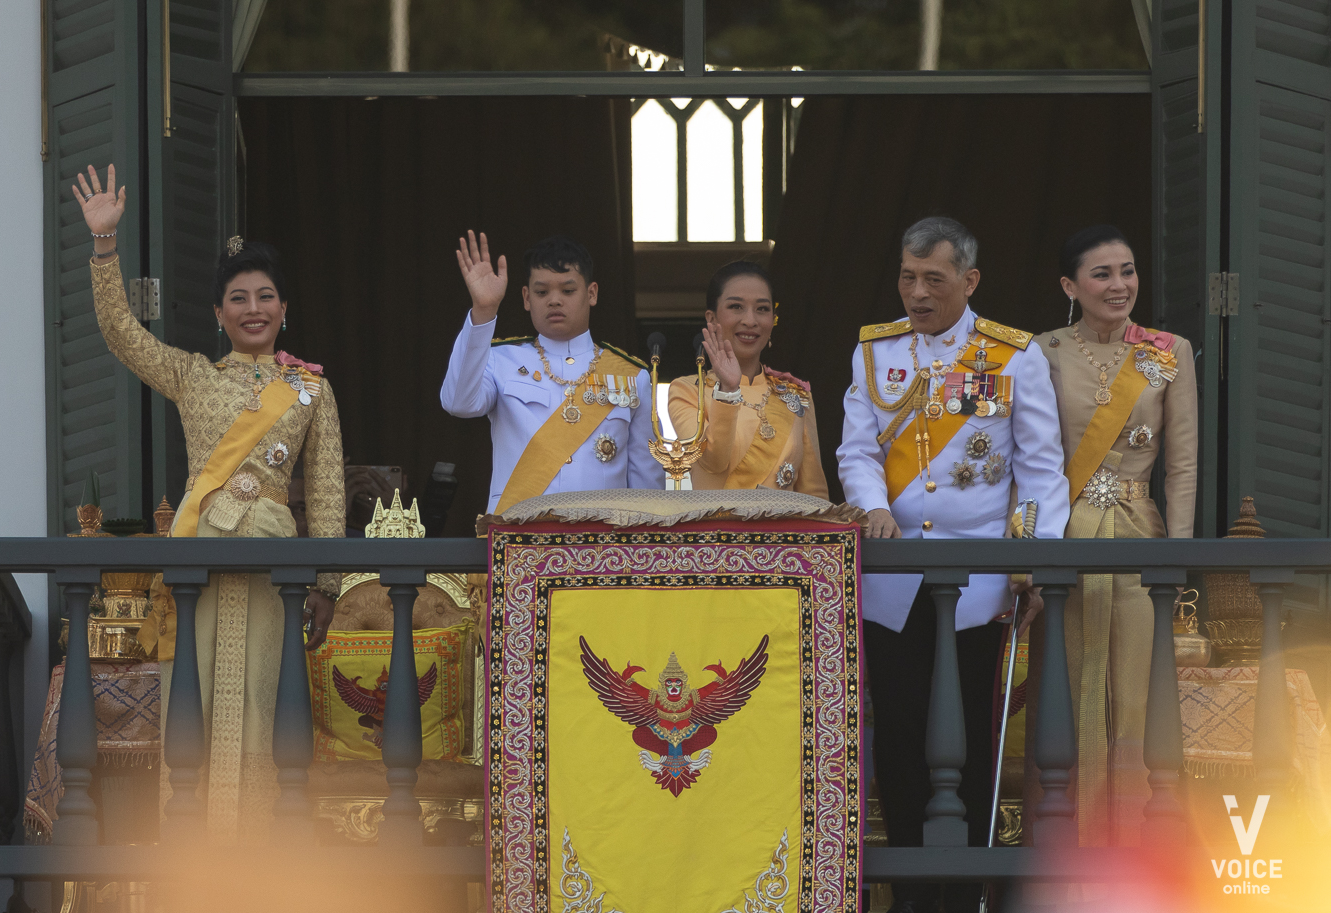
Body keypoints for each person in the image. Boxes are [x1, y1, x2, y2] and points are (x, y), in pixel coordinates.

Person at [72, 164, 345, 845]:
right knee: (191, 699)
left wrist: (329, 584)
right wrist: (105, 247)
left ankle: (262, 853)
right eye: (239, 298)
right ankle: (192, 856)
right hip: (197, 557)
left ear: (284, 309)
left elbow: (329, 489)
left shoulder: (312, 392)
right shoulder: (193, 374)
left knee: (260, 700)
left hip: (273, 563)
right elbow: (121, 335)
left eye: (266, 296)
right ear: (219, 314)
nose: (253, 308)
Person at [837, 217, 1070, 913]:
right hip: (896, 578)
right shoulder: (875, 353)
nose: (916, 292)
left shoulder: (1011, 354)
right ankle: (910, 890)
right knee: (903, 731)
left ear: (968, 281)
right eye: (908, 277)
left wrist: (1029, 558)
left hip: (978, 584)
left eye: (933, 279)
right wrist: (873, 505)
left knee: (967, 731)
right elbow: (857, 450)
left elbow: (1039, 470)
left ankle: (961, 888)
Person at [1025, 225, 1197, 847]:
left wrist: (1176, 558)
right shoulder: (1040, 352)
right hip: (1063, 535)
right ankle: (1063, 853)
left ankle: (1136, 852)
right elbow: (1028, 463)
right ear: (1070, 286)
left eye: (1127, 271)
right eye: (1102, 274)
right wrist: (1026, 555)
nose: (1119, 285)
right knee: (1065, 694)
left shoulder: (1167, 351)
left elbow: (1182, 466)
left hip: (1138, 536)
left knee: (1137, 698)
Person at [441, 232, 662, 513]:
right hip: (518, 536)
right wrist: (484, 310)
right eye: (542, 292)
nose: (554, 301)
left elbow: (647, 483)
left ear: (591, 293)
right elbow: (457, 403)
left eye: (568, 291)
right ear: (526, 297)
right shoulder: (501, 359)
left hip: (603, 543)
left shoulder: (633, 376)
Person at [667, 261, 828, 497]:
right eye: (736, 307)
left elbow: (814, 493)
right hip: (719, 532)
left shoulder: (796, 396)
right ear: (711, 319)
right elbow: (713, 461)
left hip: (783, 533)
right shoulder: (687, 391)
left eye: (762, 309)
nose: (750, 320)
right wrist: (728, 389)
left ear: (774, 318)